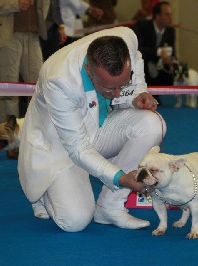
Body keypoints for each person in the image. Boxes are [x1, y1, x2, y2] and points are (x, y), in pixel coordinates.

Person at [18, 26, 165, 232]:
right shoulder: (59, 80)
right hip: (60, 146)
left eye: (121, 85)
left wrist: (137, 92)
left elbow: (137, 59)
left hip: (98, 129)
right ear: (89, 71)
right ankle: (46, 190)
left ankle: (109, 207)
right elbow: (78, 148)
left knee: (152, 124)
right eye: (108, 88)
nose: (116, 94)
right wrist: (121, 178)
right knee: (75, 222)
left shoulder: (127, 38)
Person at [0, 0, 48, 125]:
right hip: (5, 36)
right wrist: (14, 4)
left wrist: (39, 20)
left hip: (32, 35)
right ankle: (6, 138)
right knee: (9, 94)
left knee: (40, 89)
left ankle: (38, 134)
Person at [132, 1, 174, 105]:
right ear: (157, 16)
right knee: (144, 65)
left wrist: (171, 62)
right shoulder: (141, 26)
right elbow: (137, 48)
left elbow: (173, 51)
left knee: (171, 70)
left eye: (170, 14)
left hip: (159, 64)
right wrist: (159, 51)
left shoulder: (171, 30)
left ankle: (156, 95)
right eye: (167, 14)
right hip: (144, 61)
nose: (170, 17)